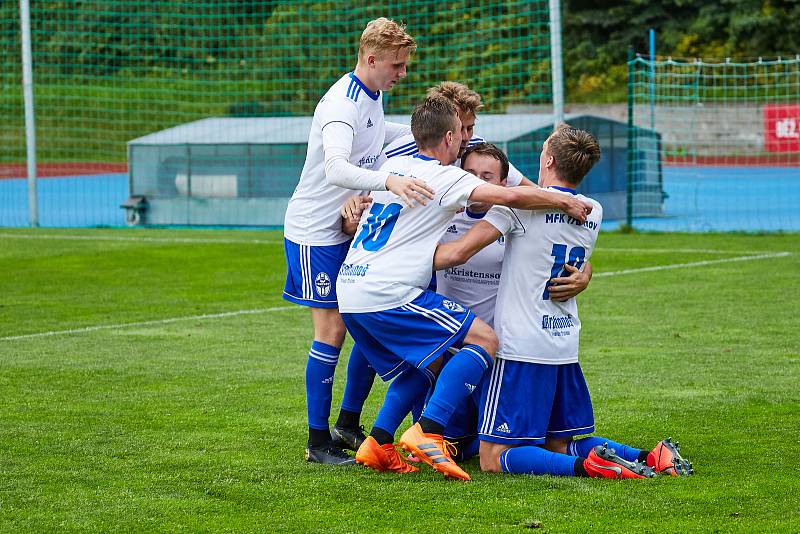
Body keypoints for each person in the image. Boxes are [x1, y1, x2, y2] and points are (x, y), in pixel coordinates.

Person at [336, 96, 594, 481]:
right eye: (463, 134)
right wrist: (562, 199)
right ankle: (428, 432)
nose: (467, 142)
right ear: (449, 137)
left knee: (423, 365)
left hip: (352, 287)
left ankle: (378, 442)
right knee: (485, 341)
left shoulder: (395, 167)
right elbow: (509, 196)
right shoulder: (449, 178)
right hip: (388, 291)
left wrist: (584, 271)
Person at [433, 125, 694, 479]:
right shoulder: (593, 210)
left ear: (549, 159)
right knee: (559, 441)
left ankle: (589, 468)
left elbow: (458, 253)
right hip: (562, 341)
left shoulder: (517, 210)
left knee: (493, 457)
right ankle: (651, 455)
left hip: (520, 348)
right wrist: (585, 273)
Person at [282, 18, 434, 465]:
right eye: (397, 65)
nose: (402, 73)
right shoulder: (340, 105)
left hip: (347, 227)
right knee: (331, 331)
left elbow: (380, 137)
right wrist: (390, 179)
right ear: (371, 59)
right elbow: (336, 167)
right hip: (315, 233)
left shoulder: (372, 96)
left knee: (364, 318)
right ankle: (317, 442)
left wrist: (437, 137)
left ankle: (347, 425)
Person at [431, 142, 592, 462]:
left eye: (487, 176)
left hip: (501, 348)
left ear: (504, 185)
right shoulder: (439, 212)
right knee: (457, 444)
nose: (477, 181)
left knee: (495, 447)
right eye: (470, 174)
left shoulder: (514, 215)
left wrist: (584, 273)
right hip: (449, 346)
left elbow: (553, 236)